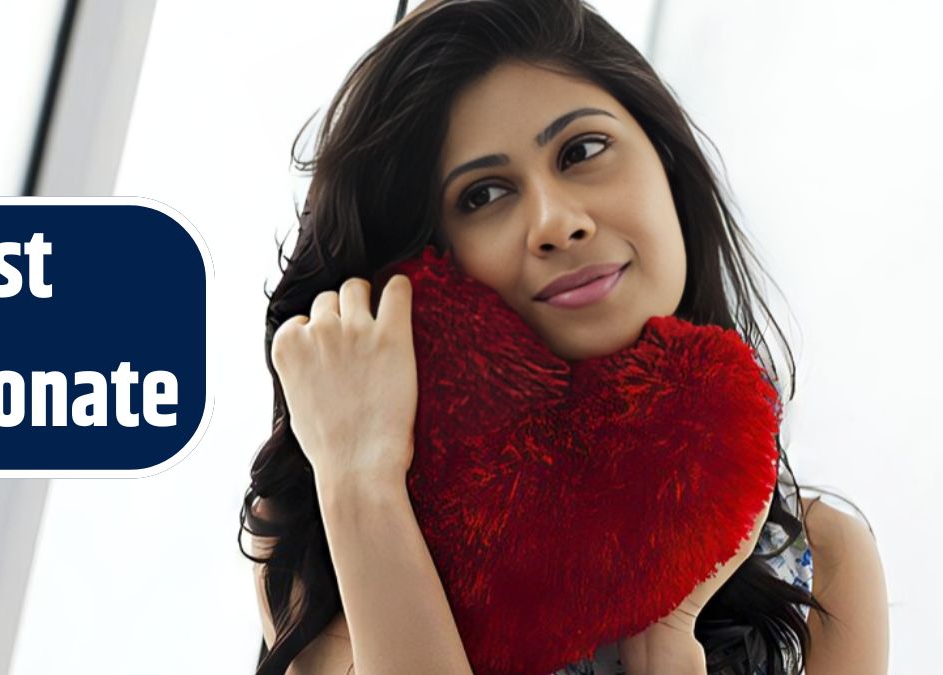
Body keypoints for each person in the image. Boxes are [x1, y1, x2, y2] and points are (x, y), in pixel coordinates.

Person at [238, 1, 889, 673]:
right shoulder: (320, 532)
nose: (555, 221)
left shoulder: (826, 559)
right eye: (483, 194)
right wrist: (363, 483)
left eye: (581, 151)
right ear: (433, 263)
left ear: (665, 159)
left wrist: (665, 634)